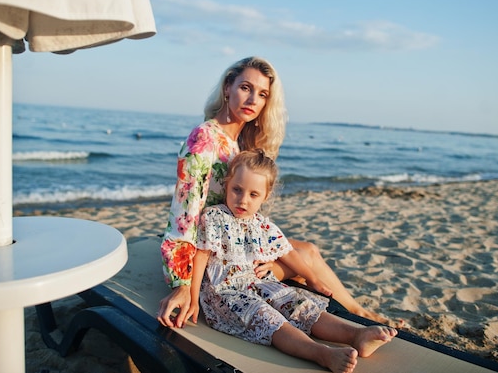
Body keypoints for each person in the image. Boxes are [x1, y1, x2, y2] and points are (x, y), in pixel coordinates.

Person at [158, 56, 400, 329]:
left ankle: (358, 312)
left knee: (307, 250)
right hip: (211, 254)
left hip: (234, 241)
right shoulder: (204, 139)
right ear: (228, 87)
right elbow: (183, 221)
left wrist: (263, 251)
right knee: (303, 259)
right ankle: (358, 316)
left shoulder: (237, 144)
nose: (252, 100)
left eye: (262, 95)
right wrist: (181, 284)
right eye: (246, 88)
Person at [190, 150, 397, 373]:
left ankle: (355, 335)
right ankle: (322, 354)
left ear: (265, 196)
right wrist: (192, 299)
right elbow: (201, 256)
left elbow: (287, 252)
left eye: (253, 194)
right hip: (226, 293)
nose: (243, 200)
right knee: (265, 316)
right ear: (227, 185)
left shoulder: (262, 224)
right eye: (237, 190)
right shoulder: (215, 217)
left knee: (296, 302)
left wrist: (313, 279)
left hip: (259, 284)